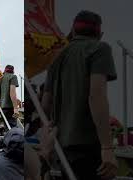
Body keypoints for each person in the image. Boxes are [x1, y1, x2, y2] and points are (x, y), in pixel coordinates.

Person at [41, 10, 118, 180]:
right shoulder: (99, 48)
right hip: (88, 144)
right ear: (100, 34)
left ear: (73, 31)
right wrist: (107, 148)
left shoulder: (57, 56)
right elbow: (96, 97)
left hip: (62, 148)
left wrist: (47, 141)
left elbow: (45, 104)